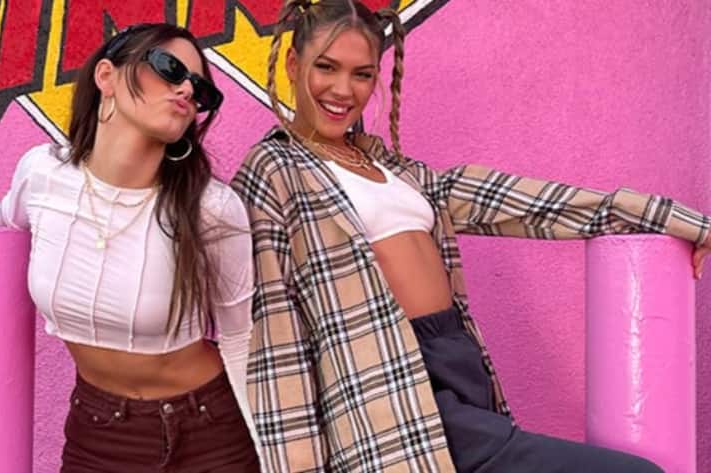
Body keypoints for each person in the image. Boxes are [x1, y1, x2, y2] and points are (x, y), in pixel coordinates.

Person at [231, 1, 710, 471]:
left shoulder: (399, 170)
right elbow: (276, 333)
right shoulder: (273, 171)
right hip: (393, 388)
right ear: (293, 64)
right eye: (326, 67)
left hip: (458, 360)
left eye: (362, 74)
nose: (342, 89)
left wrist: (678, 220)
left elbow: (536, 205)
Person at [0, 23, 261, 472]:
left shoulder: (211, 208)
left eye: (201, 91)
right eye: (169, 68)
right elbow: (3, 216)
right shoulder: (44, 174)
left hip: (212, 430)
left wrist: (273, 453)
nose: (186, 91)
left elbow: (239, 338)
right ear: (106, 76)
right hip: (100, 430)